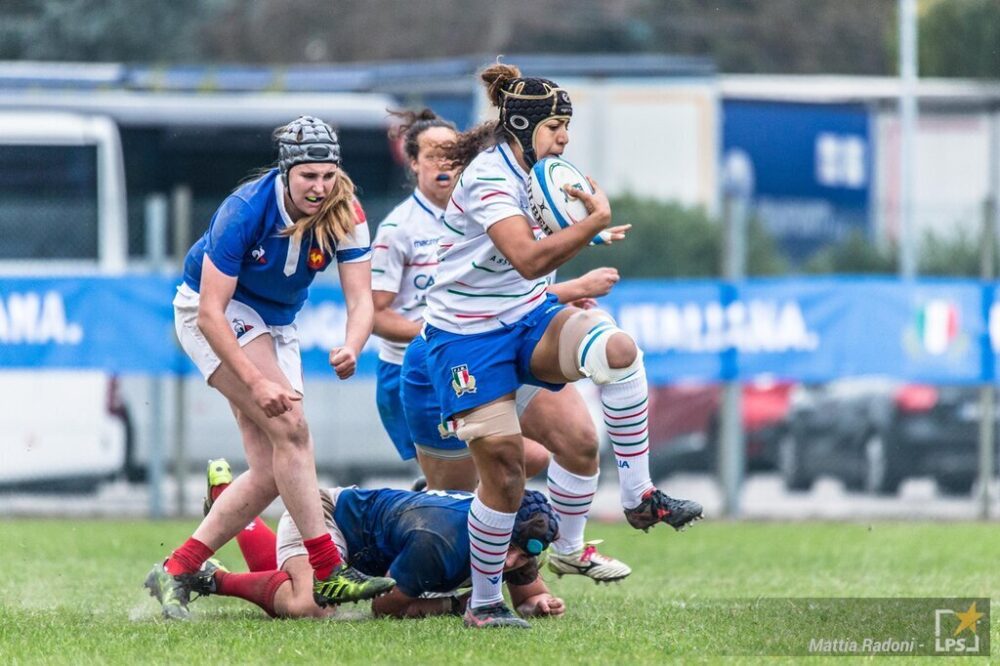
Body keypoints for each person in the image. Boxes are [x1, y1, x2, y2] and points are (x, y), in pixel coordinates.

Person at [420, 62, 704, 628]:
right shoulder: (488, 177)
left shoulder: (538, 171)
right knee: (503, 473)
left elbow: (536, 242)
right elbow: (526, 256)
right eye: (555, 126)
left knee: (616, 355)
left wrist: (585, 228)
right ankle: (482, 605)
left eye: (566, 126)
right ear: (523, 128)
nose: (565, 137)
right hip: (465, 339)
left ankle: (637, 496)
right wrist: (592, 218)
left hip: (527, 316)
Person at [144, 116, 395, 621]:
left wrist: (352, 343)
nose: (319, 187)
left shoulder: (345, 209)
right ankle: (328, 571)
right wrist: (255, 381)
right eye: (308, 177)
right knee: (293, 431)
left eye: (328, 175)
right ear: (286, 172)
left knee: (270, 470)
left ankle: (177, 568)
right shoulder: (244, 210)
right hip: (210, 313)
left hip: (276, 324)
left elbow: (361, 299)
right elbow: (213, 312)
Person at [373, 108, 631, 583]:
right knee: (478, 481)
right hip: (426, 366)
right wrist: (444, 331)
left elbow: (508, 291)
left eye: (453, 151)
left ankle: (536, 573)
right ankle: (424, 571)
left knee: (539, 455)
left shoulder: (495, 203)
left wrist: (582, 235)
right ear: (413, 163)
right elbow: (377, 315)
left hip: (490, 346)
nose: (446, 163)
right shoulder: (399, 231)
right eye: (433, 154)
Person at [191, 460, 563, 626]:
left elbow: (528, 598)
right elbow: (384, 607)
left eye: (521, 555)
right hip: (326, 517)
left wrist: (539, 602)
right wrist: (456, 604)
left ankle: (227, 500)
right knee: (310, 605)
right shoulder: (439, 541)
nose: (509, 559)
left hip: (362, 542)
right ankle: (208, 577)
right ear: (494, 523)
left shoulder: (511, 540)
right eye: (509, 545)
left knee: (281, 583)